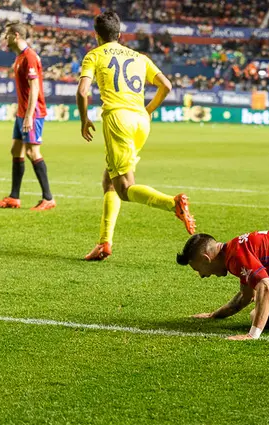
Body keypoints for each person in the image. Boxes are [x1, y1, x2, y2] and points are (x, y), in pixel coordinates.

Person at [76, 11, 196, 261]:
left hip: (117, 119)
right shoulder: (139, 57)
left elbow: (82, 90)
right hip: (140, 121)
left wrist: (84, 119)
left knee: (124, 188)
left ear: (96, 36)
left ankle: (172, 203)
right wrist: (148, 110)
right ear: (120, 35)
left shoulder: (94, 55)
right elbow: (167, 85)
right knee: (110, 180)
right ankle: (104, 243)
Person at [0, 23, 55, 211]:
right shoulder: (20, 57)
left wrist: (29, 116)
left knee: (32, 152)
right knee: (16, 150)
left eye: (7, 33)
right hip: (22, 112)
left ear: (16, 35)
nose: (4, 37)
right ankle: (14, 197)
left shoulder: (29, 57)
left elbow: (35, 88)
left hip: (32, 113)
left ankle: (48, 198)